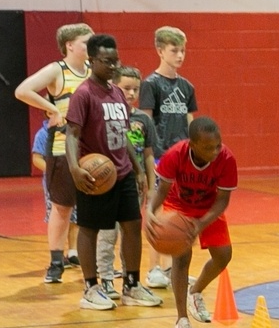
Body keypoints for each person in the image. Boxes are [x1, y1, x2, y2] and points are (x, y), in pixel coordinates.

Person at [65, 34, 161, 311]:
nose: (113, 66)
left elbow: (126, 135)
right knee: (89, 229)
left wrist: (138, 169)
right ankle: (91, 287)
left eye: (115, 60)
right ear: (92, 60)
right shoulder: (83, 94)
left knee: (132, 226)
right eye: (107, 61)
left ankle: (131, 285)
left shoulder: (117, 92)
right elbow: (72, 134)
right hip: (96, 176)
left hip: (122, 173)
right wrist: (74, 168)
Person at [145, 117, 238, 328]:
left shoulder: (226, 159)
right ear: (192, 144)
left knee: (224, 255)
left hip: (209, 206)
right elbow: (162, 190)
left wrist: (200, 224)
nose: (215, 151)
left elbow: (223, 201)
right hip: (179, 206)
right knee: (181, 256)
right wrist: (150, 210)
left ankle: (195, 292)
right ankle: (181, 321)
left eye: (218, 145)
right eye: (208, 147)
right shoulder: (175, 155)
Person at [15, 23, 93, 283]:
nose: (90, 47)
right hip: (62, 150)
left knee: (94, 210)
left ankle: (93, 262)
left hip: (93, 154)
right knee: (62, 208)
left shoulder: (94, 72)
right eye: (86, 42)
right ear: (70, 45)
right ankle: (56, 262)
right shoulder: (56, 70)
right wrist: (53, 109)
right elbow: (22, 90)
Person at [138, 26, 198, 289]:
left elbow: (189, 119)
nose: (180, 55)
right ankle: (153, 269)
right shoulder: (150, 84)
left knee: (181, 213)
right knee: (157, 210)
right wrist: (145, 158)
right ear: (160, 51)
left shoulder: (187, 86)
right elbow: (145, 121)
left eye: (183, 50)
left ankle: (175, 266)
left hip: (182, 158)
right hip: (160, 157)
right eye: (175, 50)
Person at [95, 66, 158, 299]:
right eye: (126, 88)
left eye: (135, 89)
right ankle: (106, 280)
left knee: (130, 234)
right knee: (107, 234)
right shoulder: (106, 115)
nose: (131, 93)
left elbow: (149, 154)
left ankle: (130, 281)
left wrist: (151, 186)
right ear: (114, 87)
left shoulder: (143, 119)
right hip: (109, 183)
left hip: (135, 184)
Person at [30, 119, 80, 273]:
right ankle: (58, 255)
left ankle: (73, 252)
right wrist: (53, 170)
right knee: (58, 215)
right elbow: (36, 159)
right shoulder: (43, 134)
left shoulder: (71, 131)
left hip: (72, 178)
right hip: (54, 181)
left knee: (75, 217)